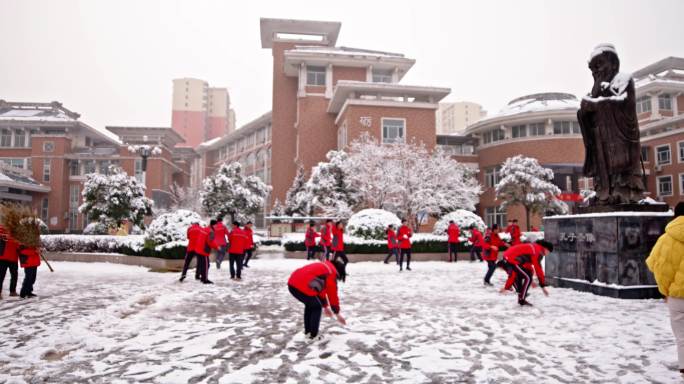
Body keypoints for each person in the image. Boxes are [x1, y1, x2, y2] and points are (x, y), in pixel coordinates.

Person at [646, 202, 684, 376]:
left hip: (676, 297)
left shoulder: (665, 239)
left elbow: (655, 265)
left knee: (682, 336)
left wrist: (666, 290)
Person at [288, 259, 347, 339]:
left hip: (292, 284)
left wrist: (325, 306)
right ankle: (313, 335)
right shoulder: (331, 272)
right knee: (316, 307)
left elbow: (319, 289)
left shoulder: (325, 266)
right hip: (300, 285)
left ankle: (308, 332)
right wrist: (337, 313)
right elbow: (332, 294)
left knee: (311, 305)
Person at [499, 240, 553, 306]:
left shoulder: (536, 248)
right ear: (546, 248)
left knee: (523, 275)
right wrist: (542, 285)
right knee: (528, 277)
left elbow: (528, 265)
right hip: (512, 258)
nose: (548, 254)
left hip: (511, 257)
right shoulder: (537, 251)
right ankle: (522, 299)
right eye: (549, 252)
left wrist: (534, 281)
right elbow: (538, 269)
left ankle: (521, 298)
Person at [0, 225, 19, 299]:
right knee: (1, 275)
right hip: (3, 257)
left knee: (14, 275)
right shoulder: (2, 227)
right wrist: (3, 235)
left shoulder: (17, 230)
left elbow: (19, 242)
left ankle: (12, 291)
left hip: (14, 257)